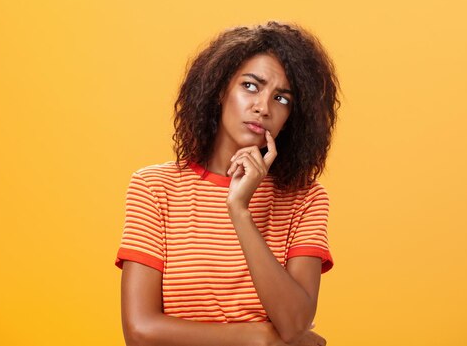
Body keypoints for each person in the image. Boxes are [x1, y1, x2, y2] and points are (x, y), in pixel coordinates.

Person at [115, 21, 341, 346]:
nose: (263, 107)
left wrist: (240, 211)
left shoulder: (305, 198)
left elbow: (293, 324)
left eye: (282, 98)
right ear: (221, 89)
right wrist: (257, 336)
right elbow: (139, 331)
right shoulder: (154, 188)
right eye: (250, 86)